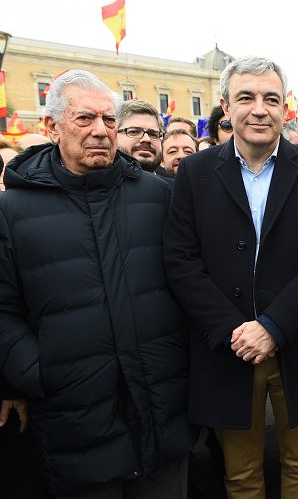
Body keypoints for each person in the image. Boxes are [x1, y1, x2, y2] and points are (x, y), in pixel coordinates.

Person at [0, 70, 196, 497]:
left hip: (160, 408)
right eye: (85, 118)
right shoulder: (12, 209)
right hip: (75, 421)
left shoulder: (157, 195)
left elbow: (188, 281)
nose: (101, 131)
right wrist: (34, 373)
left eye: (109, 120)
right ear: (51, 127)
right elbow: (4, 307)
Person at [163, 56, 298, 499]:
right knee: (241, 474)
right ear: (226, 106)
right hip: (228, 349)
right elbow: (181, 260)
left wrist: (273, 326)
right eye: (246, 97)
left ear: (285, 108)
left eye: (270, 98)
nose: (259, 109)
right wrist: (236, 330)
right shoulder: (195, 172)